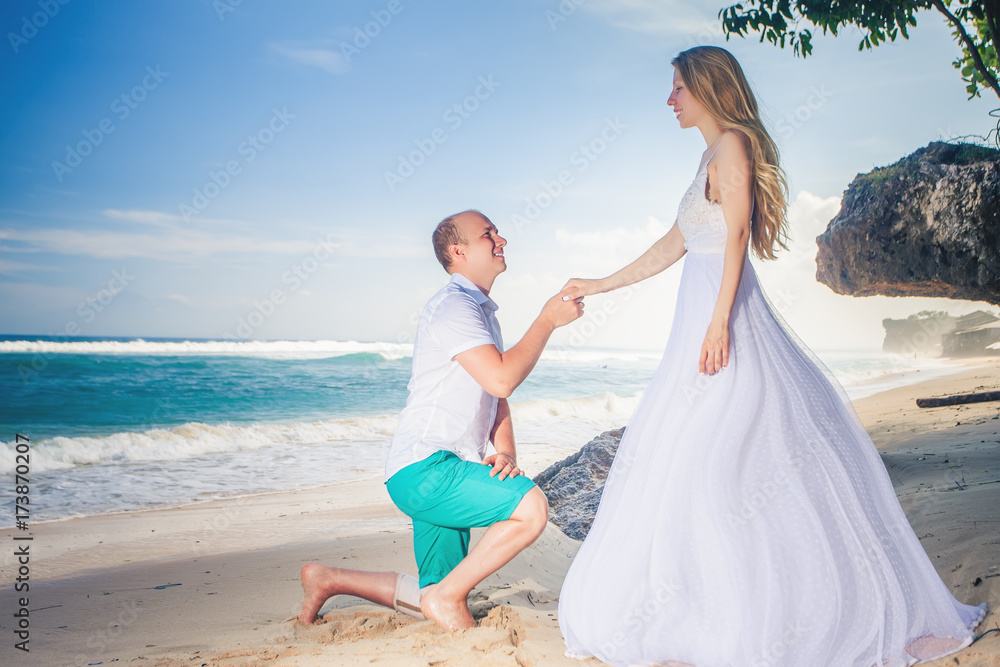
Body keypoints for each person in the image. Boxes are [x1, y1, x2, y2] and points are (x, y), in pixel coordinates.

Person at [557, 46, 987, 666]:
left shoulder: (731, 145)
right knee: (702, 458)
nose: (669, 99)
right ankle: (712, 602)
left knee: (721, 456)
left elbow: (733, 236)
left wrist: (719, 322)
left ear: (707, 87)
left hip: (723, 316)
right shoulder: (708, 156)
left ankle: (764, 612)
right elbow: (673, 245)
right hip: (702, 317)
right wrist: (598, 284)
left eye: (677, 86)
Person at [299, 209, 583, 631]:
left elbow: (495, 394)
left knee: (437, 591)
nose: (501, 239)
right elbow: (503, 378)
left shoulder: (480, 312)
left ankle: (328, 579)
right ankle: (448, 597)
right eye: (489, 234)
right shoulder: (454, 307)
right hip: (427, 468)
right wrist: (546, 321)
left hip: (430, 468)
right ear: (459, 251)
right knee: (531, 508)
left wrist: (504, 451)